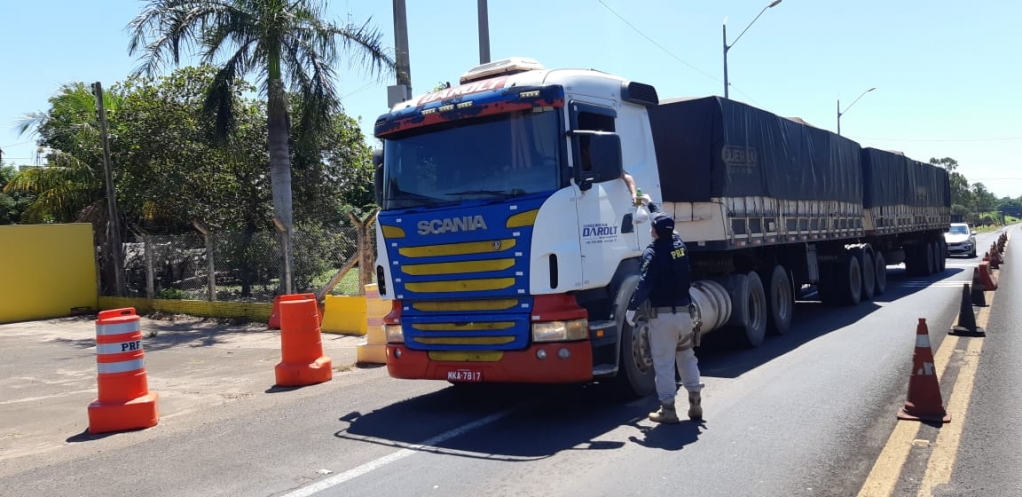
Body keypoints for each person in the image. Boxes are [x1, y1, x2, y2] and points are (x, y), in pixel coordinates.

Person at [624, 206, 703, 424]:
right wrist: (651, 206)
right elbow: (668, 228)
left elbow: (645, 284)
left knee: (664, 363)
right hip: (685, 314)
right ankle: (695, 402)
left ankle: (668, 409)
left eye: (652, 227)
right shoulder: (680, 247)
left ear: (655, 231)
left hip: (663, 317)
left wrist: (632, 308)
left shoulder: (653, 252)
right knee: (686, 357)